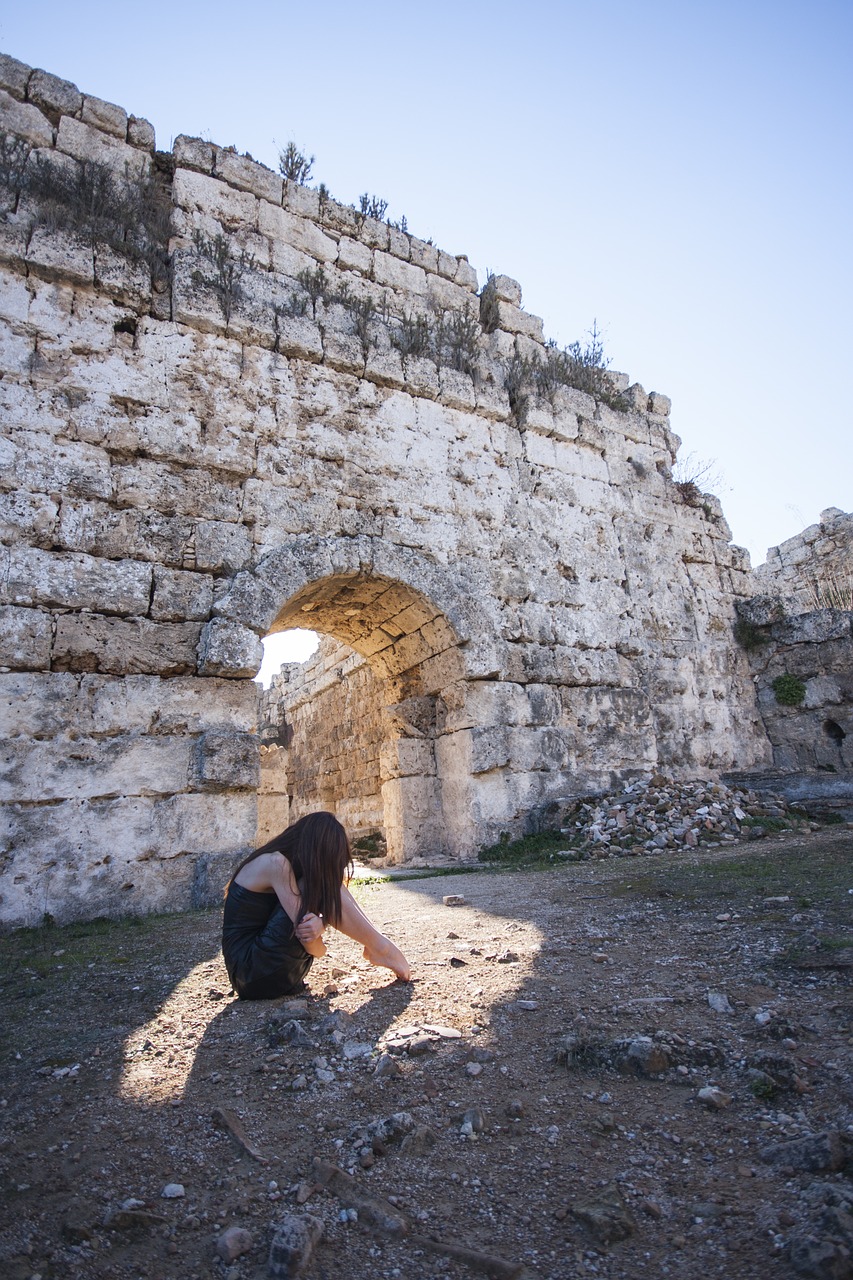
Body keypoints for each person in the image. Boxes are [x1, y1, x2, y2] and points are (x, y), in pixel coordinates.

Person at [222, 811, 411, 1000]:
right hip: (253, 972)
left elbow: (315, 947)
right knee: (322, 883)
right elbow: (315, 949)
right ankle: (380, 947)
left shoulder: (282, 866)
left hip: (271, 975)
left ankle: (378, 944)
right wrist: (319, 928)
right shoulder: (275, 864)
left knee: (327, 882)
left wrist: (319, 926)